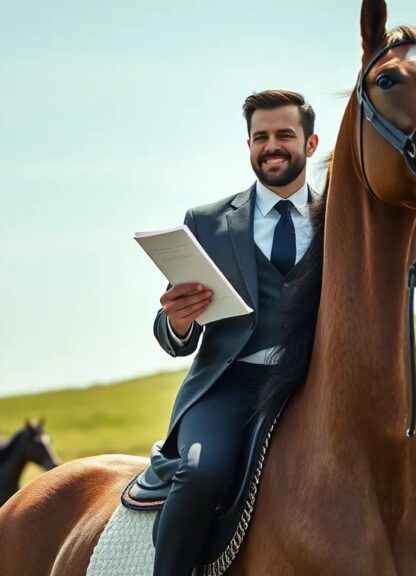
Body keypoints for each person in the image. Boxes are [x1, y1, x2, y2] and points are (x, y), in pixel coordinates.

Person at [151, 89, 319, 576]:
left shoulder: (342, 221)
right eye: (260, 136)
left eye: (284, 135)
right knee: (202, 476)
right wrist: (179, 321)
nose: (272, 145)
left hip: (312, 383)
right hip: (228, 386)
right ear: (248, 145)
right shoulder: (206, 223)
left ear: (310, 144)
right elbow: (168, 331)